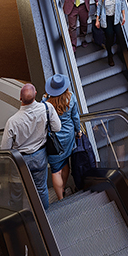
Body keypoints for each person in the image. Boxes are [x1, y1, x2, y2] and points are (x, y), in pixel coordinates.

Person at [1, 84, 60, 208]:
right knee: (41, 189)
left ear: (20, 98)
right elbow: (57, 127)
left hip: (20, 160)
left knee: (17, 191)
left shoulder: (12, 121)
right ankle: (44, 215)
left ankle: (17, 219)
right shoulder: (46, 108)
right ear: (36, 94)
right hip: (40, 155)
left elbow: (5, 148)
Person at [43, 74, 80, 202]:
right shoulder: (71, 98)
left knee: (56, 170)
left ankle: (60, 198)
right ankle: (63, 187)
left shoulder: (46, 103)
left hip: (54, 140)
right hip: (68, 135)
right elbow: (75, 117)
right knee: (65, 164)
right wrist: (78, 130)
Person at [97, 0, 126, 65]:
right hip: (107, 19)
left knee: (120, 35)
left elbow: (122, 4)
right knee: (109, 37)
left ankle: (122, 54)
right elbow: (99, 7)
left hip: (116, 18)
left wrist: (123, 17)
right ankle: (110, 55)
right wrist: (97, 20)